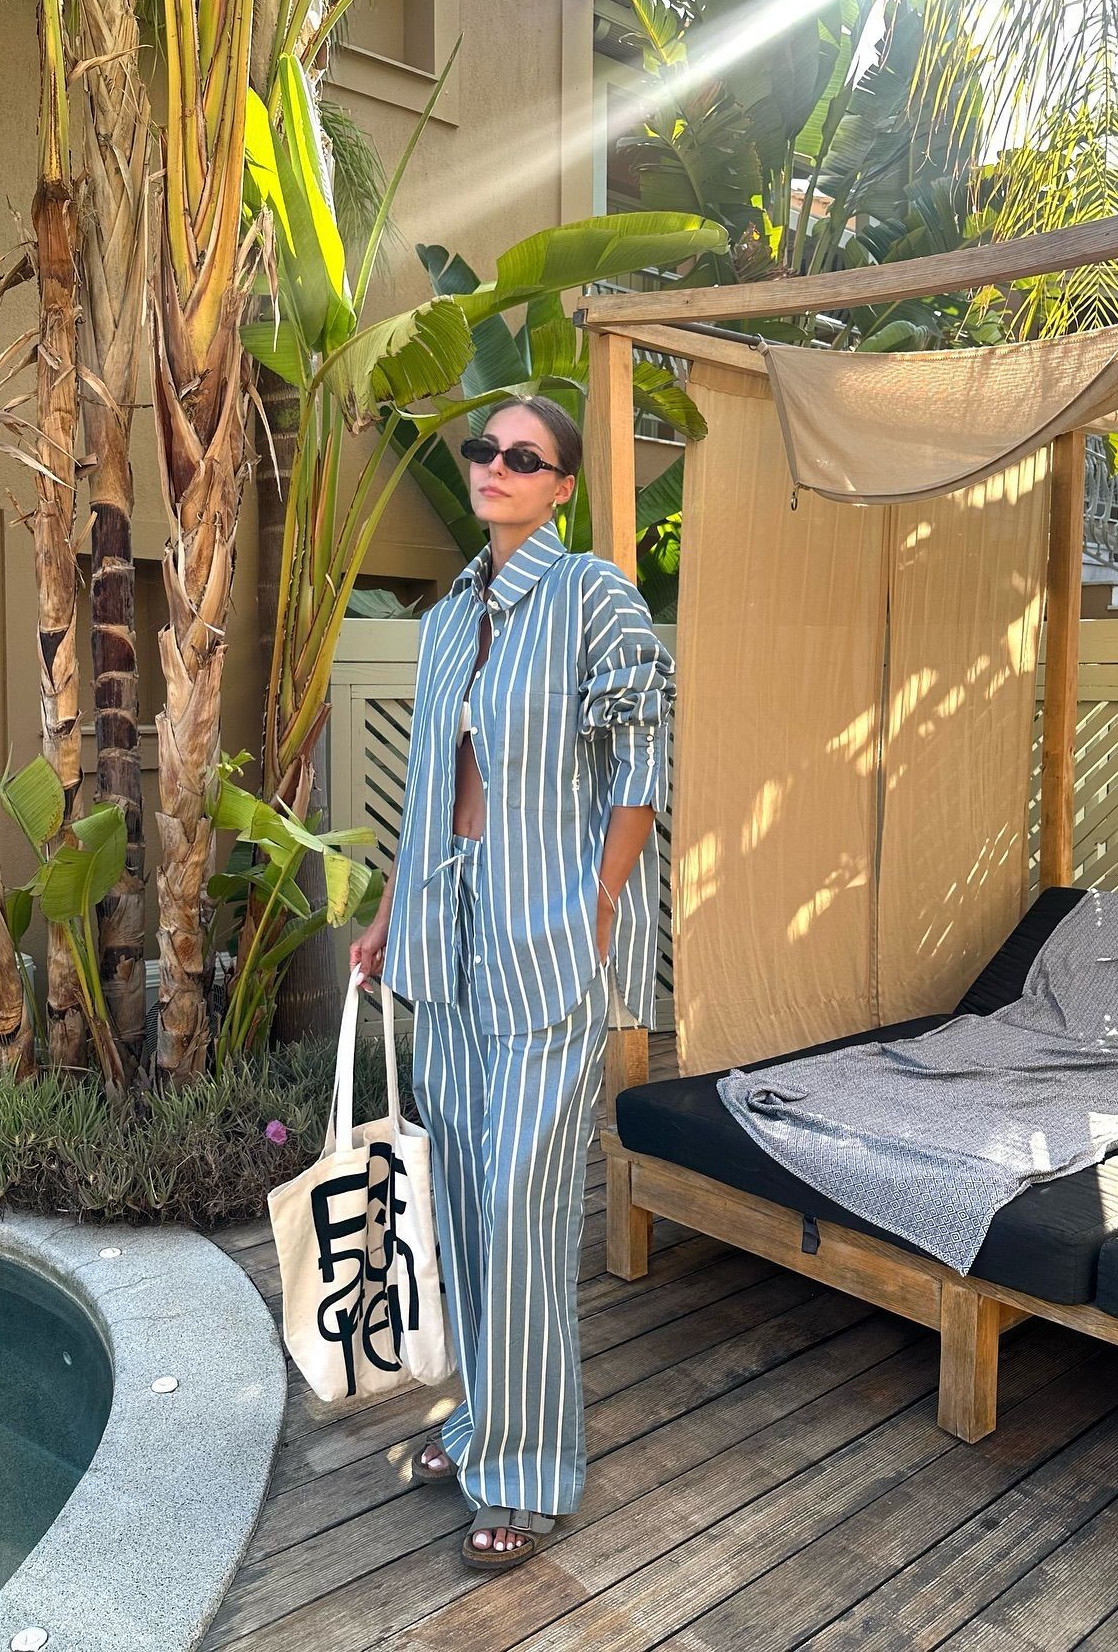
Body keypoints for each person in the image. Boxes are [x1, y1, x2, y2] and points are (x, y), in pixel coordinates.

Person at [350, 396, 674, 1572]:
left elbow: (640, 757)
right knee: (464, 1201)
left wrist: (599, 903)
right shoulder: (446, 621)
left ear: (560, 486)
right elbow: (428, 789)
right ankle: (486, 1419)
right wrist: (390, 914)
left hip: (546, 939)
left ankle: (527, 1473)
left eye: (522, 457)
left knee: (527, 1206)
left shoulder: (595, 598)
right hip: (445, 939)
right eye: (483, 451)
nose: (493, 466)